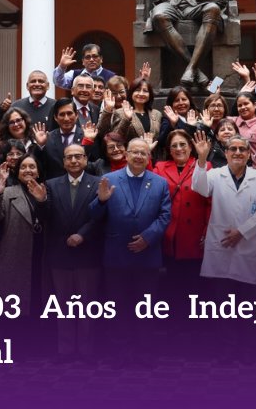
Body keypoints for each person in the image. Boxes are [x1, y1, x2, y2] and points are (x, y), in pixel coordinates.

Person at [89, 137, 170, 354]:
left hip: (148, 256)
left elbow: (165, 216)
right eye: (134, 152)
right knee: (118, 307)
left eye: (143, 153)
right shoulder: (108, 179)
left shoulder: (160, 182)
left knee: (146, 308)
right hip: (117, 256)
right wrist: (102, 200)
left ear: (149, 157)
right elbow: (95, 216)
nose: (138, 156)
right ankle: (119, 351)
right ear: (126, 155)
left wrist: (148, 237)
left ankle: (144, 351)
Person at [189, 132, 256, 301]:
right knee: (222, 297)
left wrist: (241, 231)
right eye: (232, 148)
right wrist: (202, 159)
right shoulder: (216, 174)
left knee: (247, 298)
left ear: (249, 154)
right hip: (222, 243)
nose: (237, 152)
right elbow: (199, 187)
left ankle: (248, 328)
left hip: (247, 244)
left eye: (242, 149)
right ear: (226, 153)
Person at [43, 144, 103, 357]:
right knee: (63, 307)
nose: (74, 161)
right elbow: (47, 218)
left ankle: (86, 350)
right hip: (61, 254)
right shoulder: (50, 185)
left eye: (78, 157)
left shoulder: (98, 184)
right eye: (69, 157)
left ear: (86, 160)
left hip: (88, 253)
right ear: (63, 161)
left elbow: (100, 216)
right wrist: (41, 201)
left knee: (87, 306)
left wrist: (82, 235)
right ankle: (65, 349)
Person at [0, 154, 49, 327]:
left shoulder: (47, 190)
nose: (28, 170)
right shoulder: (7, 193)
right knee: (14, 306)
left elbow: (51, 218)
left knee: (39, 299)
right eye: (23, 167)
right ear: (17, 171)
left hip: (42, 254)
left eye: (32, 167)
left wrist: (42, 201)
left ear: (38, 171)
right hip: (15, 255)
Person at [153, 129, 211, 307]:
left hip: (195, 234)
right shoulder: (160, 167)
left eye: (182, 144)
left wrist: (207, 231)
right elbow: (148, 188)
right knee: (173, 283)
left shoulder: (204, 165)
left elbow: (210, 202)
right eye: (174, 146)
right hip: (171, 234)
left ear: (190, 147)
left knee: (195, 284)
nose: (179, 148)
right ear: (169, 150)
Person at [37, 97, 98, 179]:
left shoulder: (88, 136)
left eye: (69, 113)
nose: (66, 118)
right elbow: (41, 165)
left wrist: (88, 141)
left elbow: (92, 163)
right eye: (62, 114)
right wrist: (41, 146)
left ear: (76, 115)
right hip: (55, 186)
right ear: (55, 118)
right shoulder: (48, 138)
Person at [99, 77, 161, 144]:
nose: (141, 94)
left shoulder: (157, 114)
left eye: (145, 91)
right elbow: (115, 138)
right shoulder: (120, 112)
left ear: (150, 94)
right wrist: (127, 119)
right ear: (131, 93)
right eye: (137, 90)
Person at [52, 44, 116, 90]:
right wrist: (62, 66)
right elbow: (58, 82)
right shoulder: (74, 74)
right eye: (88, 57)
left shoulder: (111, 76)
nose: (91, 60)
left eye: (95, 56)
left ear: (101, 59)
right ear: (83, 61)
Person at [233, 91, 256, 166]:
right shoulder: (231, 122)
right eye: (239, 105)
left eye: (246, 104)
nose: (243, 107)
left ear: (255, 105)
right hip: (233, 169)